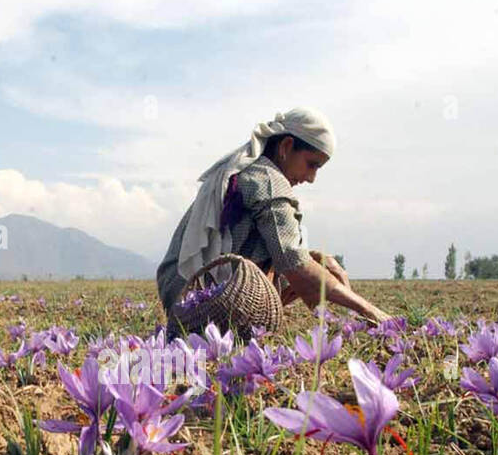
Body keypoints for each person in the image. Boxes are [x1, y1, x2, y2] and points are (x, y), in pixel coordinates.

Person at [156, 107, 392, 332]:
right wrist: (368, 310)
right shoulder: (267, 178)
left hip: (181, 293)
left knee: (314, 262)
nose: (311, 178)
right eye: (311, 165)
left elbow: (287, 252)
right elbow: (294, 262)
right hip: (195, 299)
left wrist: (318, 261)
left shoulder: (251, 170)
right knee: (300, 267)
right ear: (286, 146)